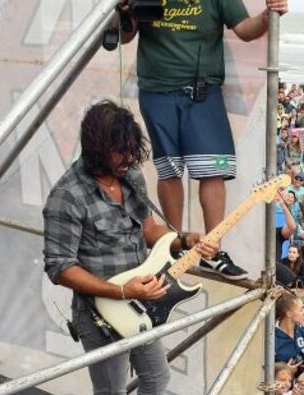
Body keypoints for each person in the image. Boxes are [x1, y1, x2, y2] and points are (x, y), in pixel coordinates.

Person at [42, 101, 217, 395]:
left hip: (140, 304)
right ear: (97, 148)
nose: (126, 160)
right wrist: (118, 292)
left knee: (156, 376)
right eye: (118, 152)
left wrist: (186, 238)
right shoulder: (67, 196)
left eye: (129, 151)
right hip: (100, 312)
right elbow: (59, 267)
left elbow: (151, 229)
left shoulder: (132, 177)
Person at [120, 0, 287, 281]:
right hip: (156, 89)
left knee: (213, 170)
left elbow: (245, 29)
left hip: (203, 89)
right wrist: (123, 13)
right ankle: (173, 243)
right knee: (169, 169)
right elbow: (126, 35)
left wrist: (269, 14)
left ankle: (213, 250)